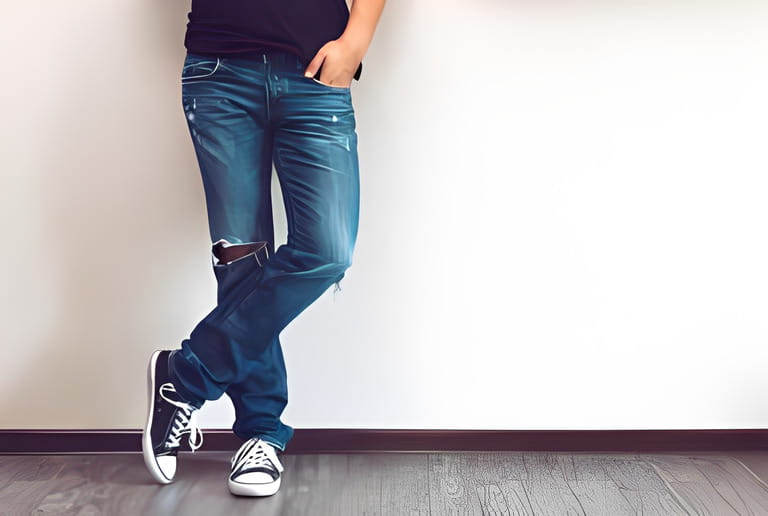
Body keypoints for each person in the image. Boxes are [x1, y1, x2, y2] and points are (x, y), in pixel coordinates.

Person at [141, 0, 386, 497]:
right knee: (241, 261)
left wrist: (355, 41)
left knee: (327, 251)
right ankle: (261, 434)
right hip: (219, 71)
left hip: (316, 71)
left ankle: (185, 374)